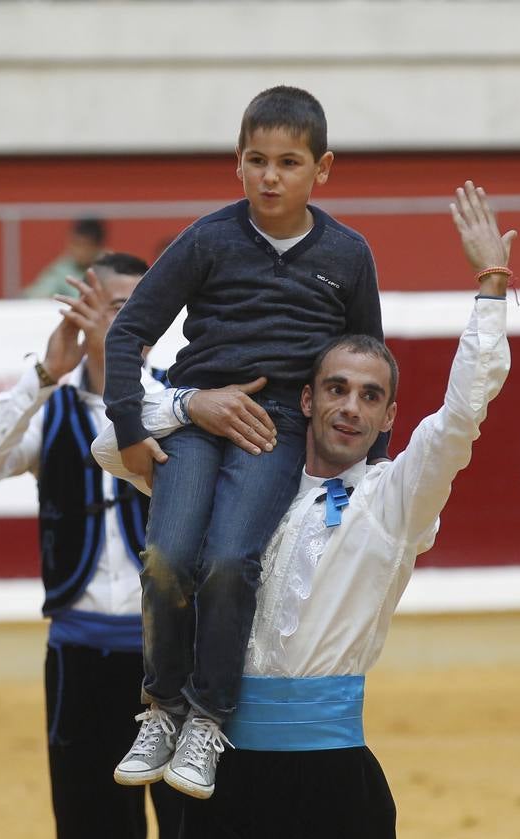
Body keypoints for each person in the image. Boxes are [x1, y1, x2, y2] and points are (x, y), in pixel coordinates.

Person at [92, 181, 515, 839]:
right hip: (217, 774)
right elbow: (112, 445)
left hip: (331, 784)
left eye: (370, 395)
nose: (350, 407)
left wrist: (491, 287)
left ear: (388, 419)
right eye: (337, 388)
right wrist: (194, 401)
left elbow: (462, 414)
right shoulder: (244, 480)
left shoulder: (395, 499)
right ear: (307, 398)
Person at [104, 85, 389, 800]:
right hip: (197, 421)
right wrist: (135, 431)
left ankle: (208, 715)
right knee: (168, 559)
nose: (270, 177)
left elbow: (367, 358)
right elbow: (127, 333)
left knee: (230, 561)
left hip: (278, 429)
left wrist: (374, 476)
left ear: (321, 168)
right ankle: (162, 706)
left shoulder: (349, 254)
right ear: (237, 163)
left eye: (288, 162)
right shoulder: (208, 238)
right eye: (256, 160)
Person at [0, 253, 183, 839]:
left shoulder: (176, 400)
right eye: (115, 307)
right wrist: (41, 375)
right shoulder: (49, 409)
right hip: (80, 661)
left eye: (142, 309)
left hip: (171, 659)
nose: (130, 321)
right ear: (82, 315)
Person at [24, 217, 107, 299]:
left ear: (97, 246)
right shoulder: (63, 269)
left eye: (85, 245)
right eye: (75, 244)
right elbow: (38, 293)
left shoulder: (111, 267)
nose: (79, 251)